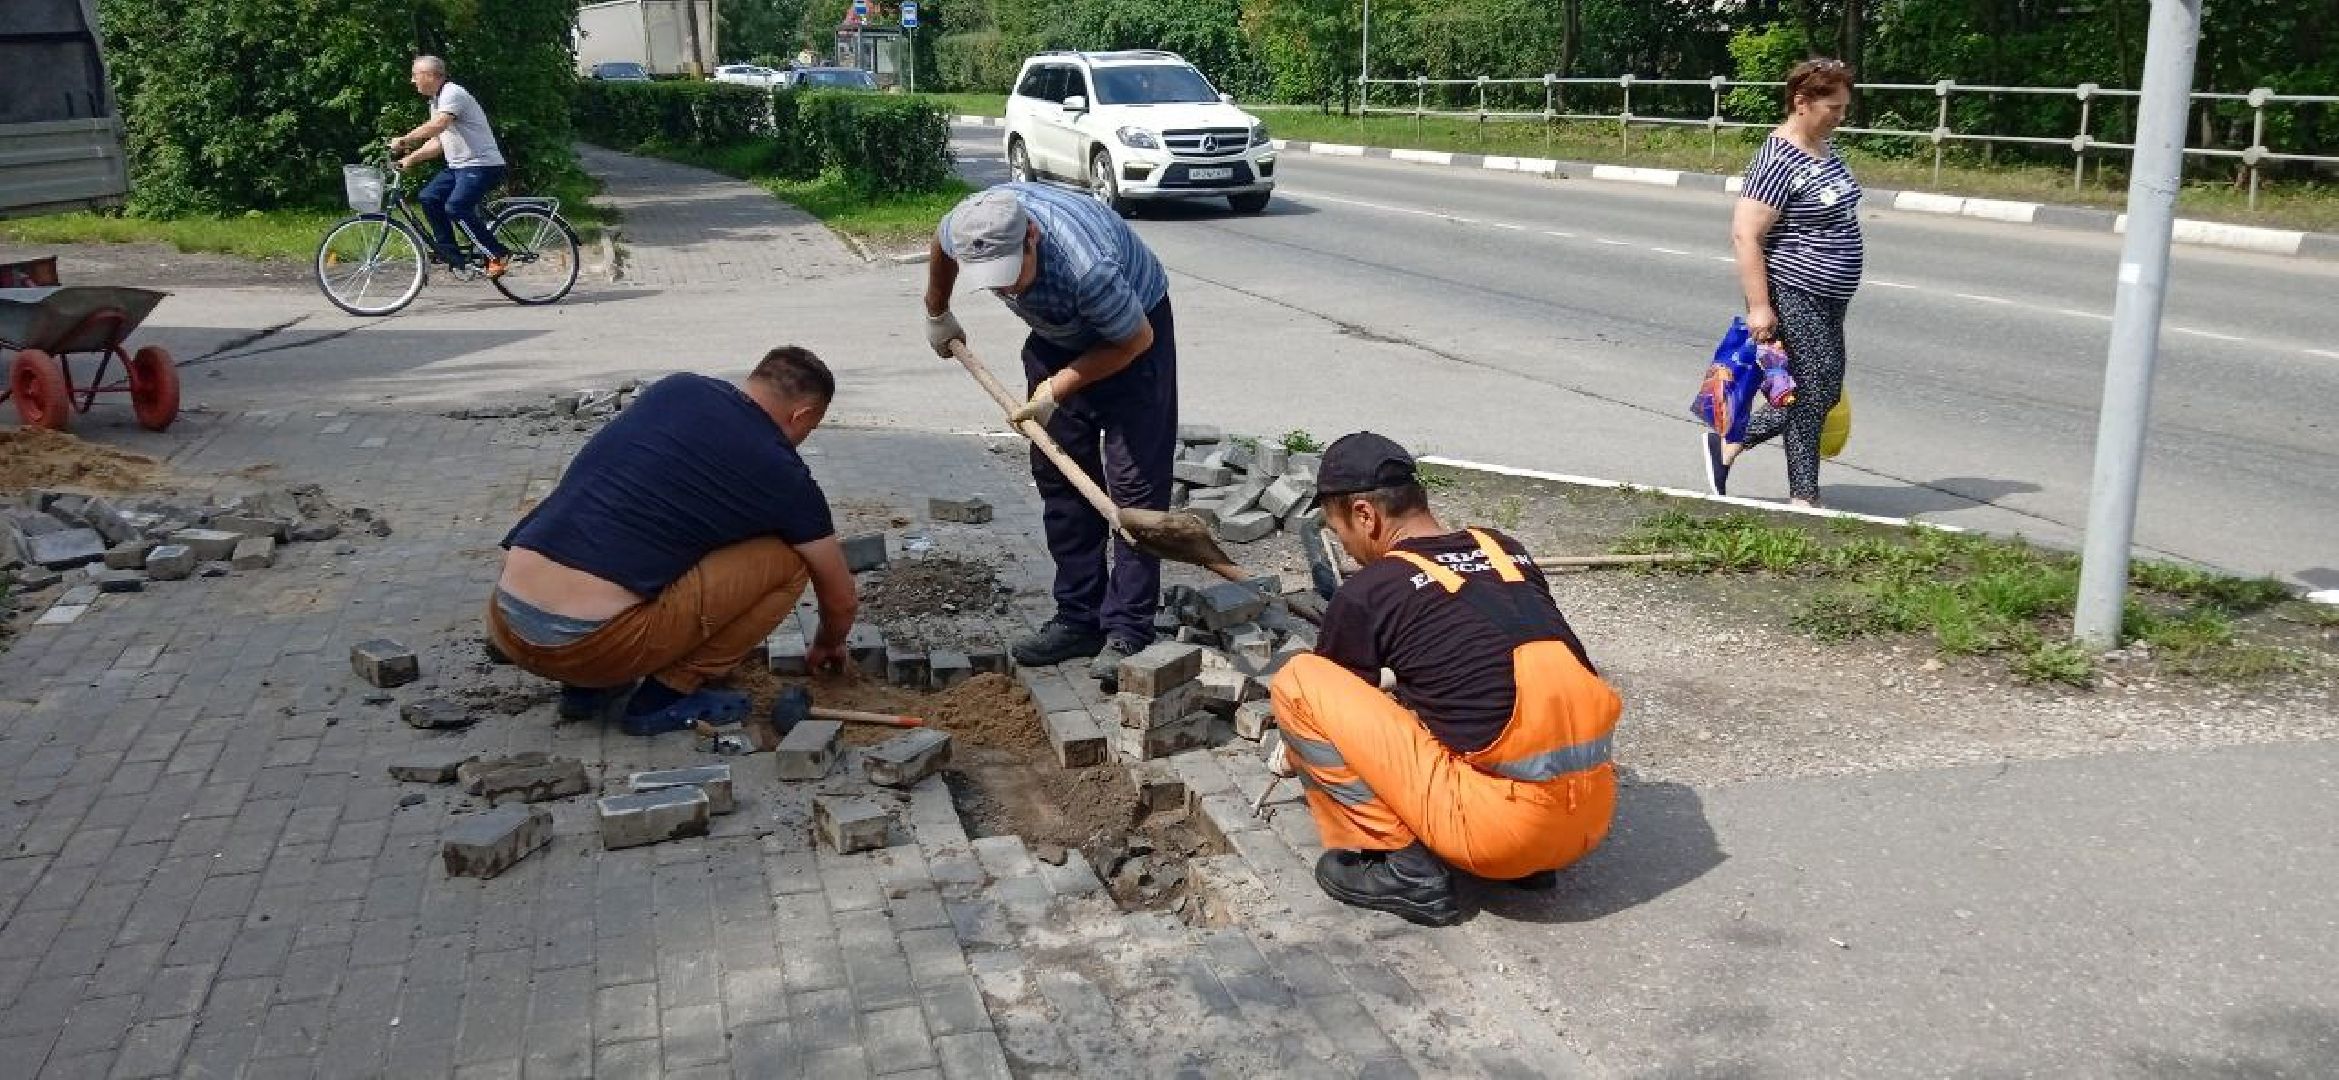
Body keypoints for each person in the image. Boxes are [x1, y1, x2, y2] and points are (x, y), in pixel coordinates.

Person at [1265, 433, 1622, 926]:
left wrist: (1296, 745)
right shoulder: (1504, 551)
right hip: (1588, 820)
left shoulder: (1370, 589)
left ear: (1366, 516)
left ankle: (1408, 872)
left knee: (1301, 681)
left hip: (1497, 835)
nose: (1346, 549)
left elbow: (1340, 704)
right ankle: (1529, 867)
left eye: (1340, 531)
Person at [485, 347, 860, 734]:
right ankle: (665, 698)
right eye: (809, 430)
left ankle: (587, 690)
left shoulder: (677, 390)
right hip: (589, 647)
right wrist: (827, 643)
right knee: (789, 560)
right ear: (801, 415)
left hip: (507, 619)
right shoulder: (784, 475)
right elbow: (841, 598)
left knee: (637, 520)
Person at [922, 184, 1177, 686]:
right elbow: (940, 243)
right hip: (1057, 336)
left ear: (1032, 236)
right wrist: (937, 309)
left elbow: (1134, 341)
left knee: (1135, 489)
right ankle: (1078, 616)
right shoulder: (968, 227)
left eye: (1011, 274)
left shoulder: (1088, 268)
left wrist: (1057, 388)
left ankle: (1129, 627)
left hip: (1133, 335)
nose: (1007, 290)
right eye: (992, 282)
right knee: (1060, 476)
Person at [1710, 57, 1864, 506]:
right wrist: (1761, 307)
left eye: (1843, 106)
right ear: (1801, 103)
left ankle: (1792, 489)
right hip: (1793, 289)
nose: (1840, 115)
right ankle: (1744, 453)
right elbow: (1746, 233)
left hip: (1828, 295)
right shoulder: (1777, 159)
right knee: (1816, 390)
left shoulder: (1823, 148)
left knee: (1816, 389)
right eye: (1832, 107)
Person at [390, 55, 513, 279]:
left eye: (415, 75)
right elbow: (438, 142)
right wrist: (410, 159)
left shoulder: (452, 93)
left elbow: (440, 124)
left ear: (430, 75)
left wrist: (405, 140)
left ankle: (497, 254)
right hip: (460, 167)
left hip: (482, 165)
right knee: (429, 197)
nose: (412, 80)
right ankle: (450, 254)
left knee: (456, 207)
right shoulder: (436, 101)